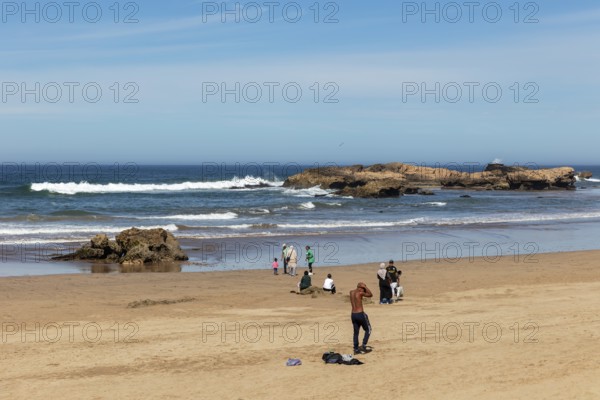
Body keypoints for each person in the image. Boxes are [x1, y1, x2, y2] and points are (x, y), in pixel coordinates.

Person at [350, 282, 373, 354]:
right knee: (368, 329)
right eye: (363, 289)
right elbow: (370, 295)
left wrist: (362, 287)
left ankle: (356, 349)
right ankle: (363, 345)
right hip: (360, 314)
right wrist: (365, 287)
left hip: (353, 314)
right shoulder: (360, 293)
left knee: (356, 332)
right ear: (361, 288)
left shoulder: (351, 292)